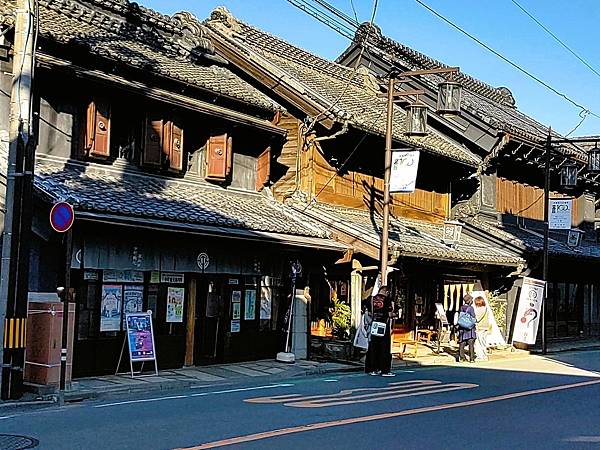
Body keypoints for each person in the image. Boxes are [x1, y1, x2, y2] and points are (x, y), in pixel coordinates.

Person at [364, 286, 395, 377]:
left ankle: (372, 369)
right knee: (384, 347)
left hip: (374, 324)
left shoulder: (371, 299)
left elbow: (367, 310)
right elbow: (390, 313)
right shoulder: (387, 300)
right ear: (386, 292)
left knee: (373, 347)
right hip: (383, 325)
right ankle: (384, 370)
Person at [458, 294, 476, 362]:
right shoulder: (471, 308)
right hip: (469, 328)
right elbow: (473, 317)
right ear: (469, 301)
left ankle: (462, 358)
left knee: (462, 343)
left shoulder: (461, 307)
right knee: (471, 343)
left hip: (462, 327)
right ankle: (472, 358)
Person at [474, 296, 491, 361]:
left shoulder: (479, 310)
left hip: (480, 327)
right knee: (483, 342)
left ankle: (480, 356)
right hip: (486, 327)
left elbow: (476, 319)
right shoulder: (486, 308)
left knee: (478, 342)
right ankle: (484, 356)